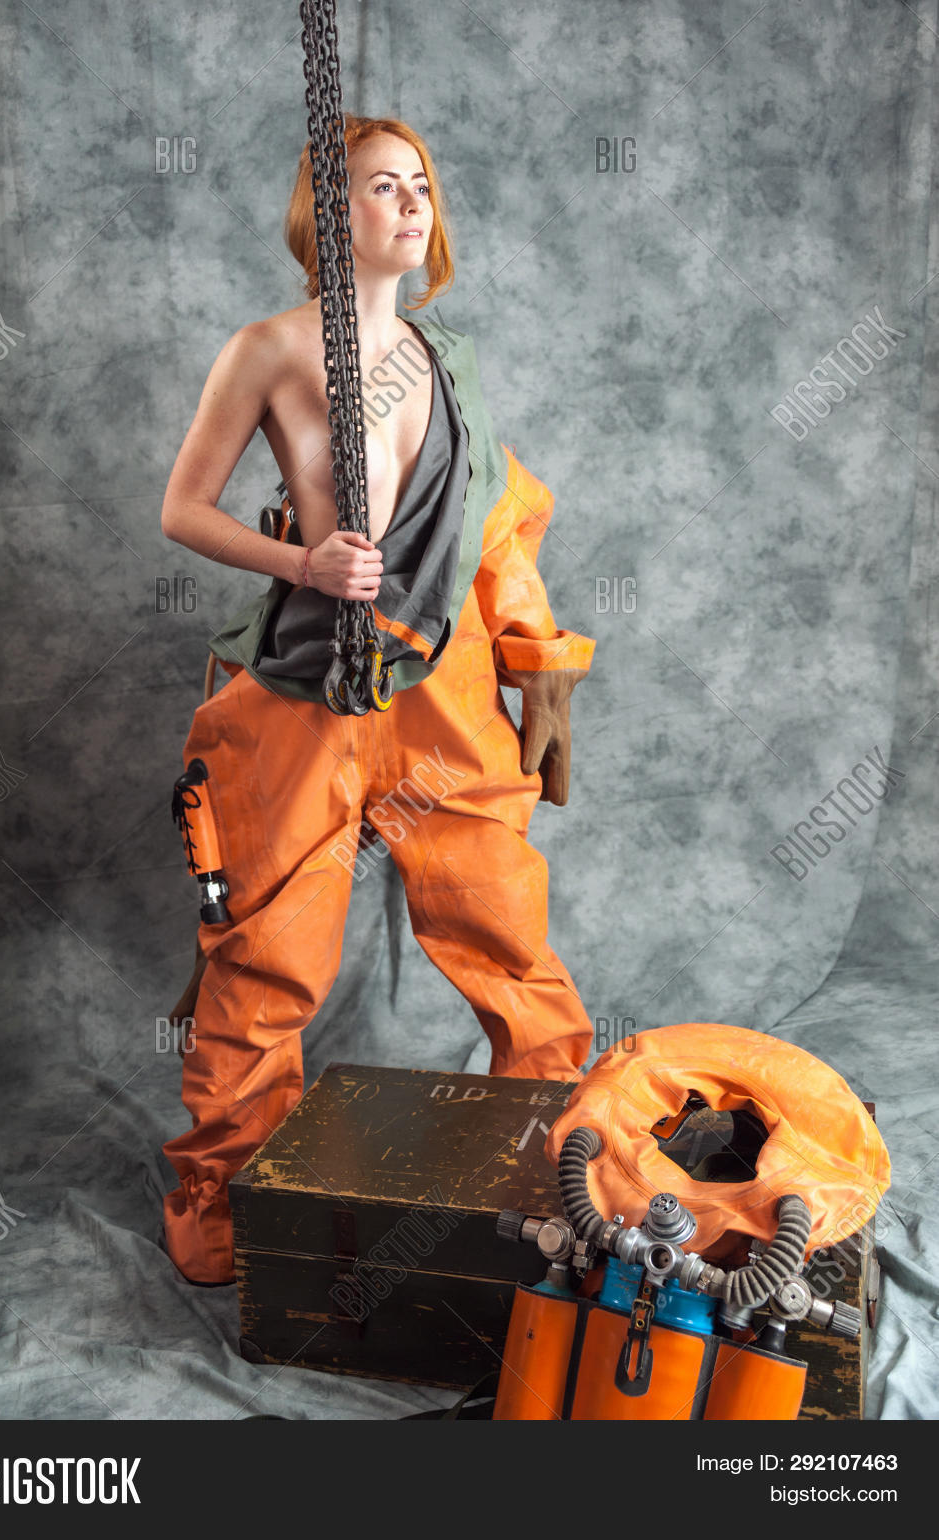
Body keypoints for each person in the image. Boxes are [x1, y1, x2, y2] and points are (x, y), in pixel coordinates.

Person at [159, 114, 596, 1284]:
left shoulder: (447, 362)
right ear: (325, 210)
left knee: (505, 933)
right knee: (265, 954)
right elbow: (181, 509)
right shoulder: (267, 348)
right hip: (306, 690)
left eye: (420, 186)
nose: (410, 205)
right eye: (379, 186)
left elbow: (494, 523)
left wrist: (537, 659)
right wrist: (302, 564)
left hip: (444, 695)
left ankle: (556, 1171)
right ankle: (222, 1191)